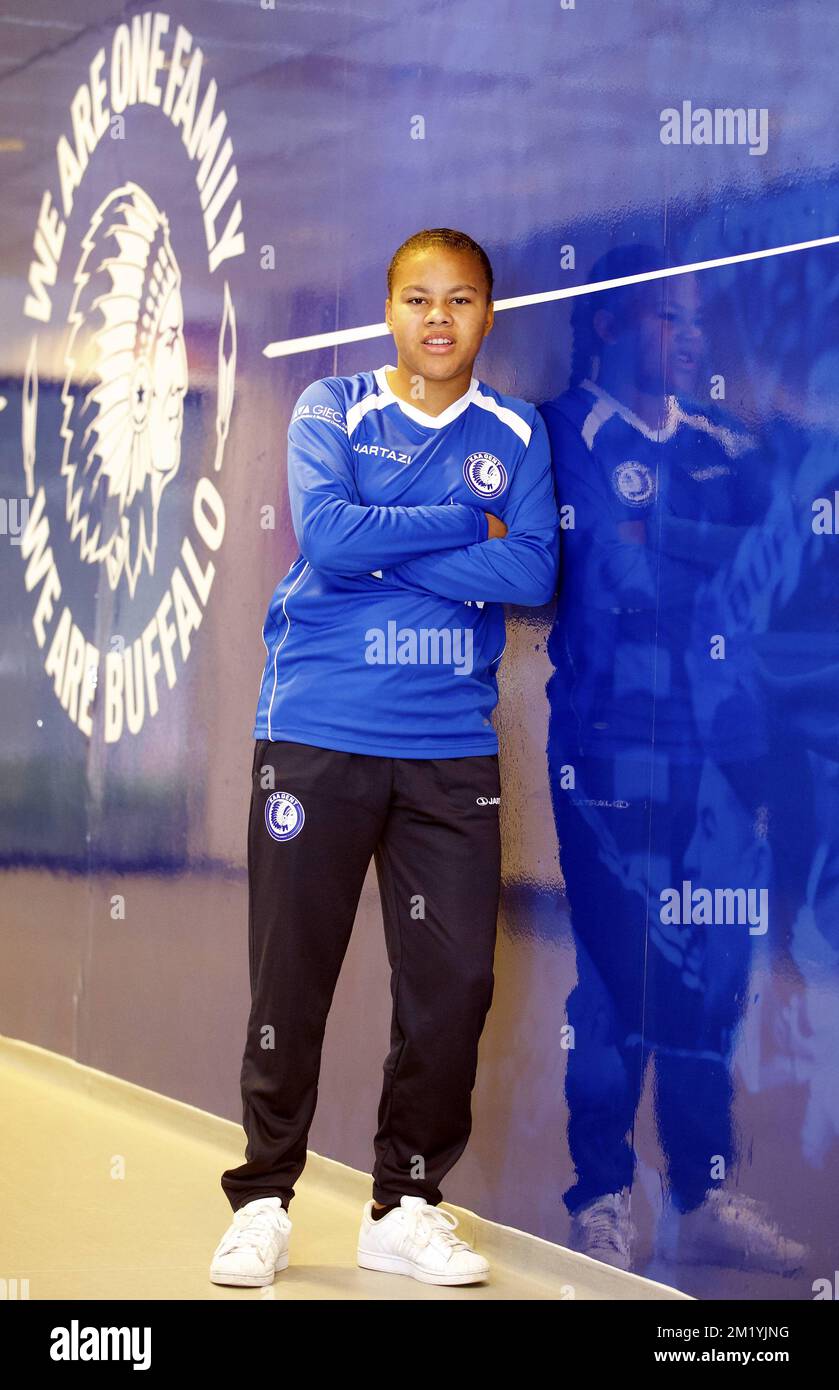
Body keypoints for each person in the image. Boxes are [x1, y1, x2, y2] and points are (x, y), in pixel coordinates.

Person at [210, 227, 560, 1288]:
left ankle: (404, 1201)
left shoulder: (517, 429)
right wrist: (464, 521)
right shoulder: (331, 409)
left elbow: (534, 565)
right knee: (291, 974)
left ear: (486, 317)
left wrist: (392, 534)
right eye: (417, 299)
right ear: (389, 311)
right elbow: (326, 536)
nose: (438, 319)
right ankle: (263, 1198)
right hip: (314, 730)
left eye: (459, 300)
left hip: (446, 748)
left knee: (452, 982)